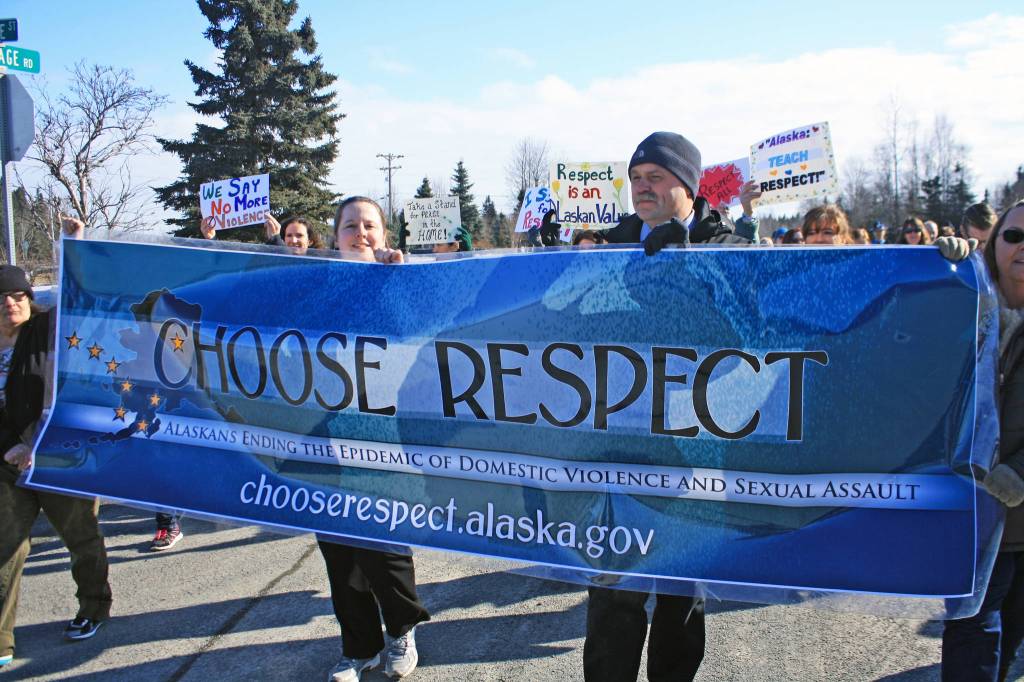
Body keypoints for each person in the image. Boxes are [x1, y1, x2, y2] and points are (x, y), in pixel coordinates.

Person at [585, 131, 751, 682]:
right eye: (635, 178)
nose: (641, 188)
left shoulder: (725, 246)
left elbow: (742, 333)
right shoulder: (612, 246)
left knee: (680, 596)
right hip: (620, 446)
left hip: (693, 446)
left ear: (688, 184)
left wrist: (684, 266)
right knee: (613, 592)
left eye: (655, 177)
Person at [321, 196, 427, 682]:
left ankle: (401, 629)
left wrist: (399, 282)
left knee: (385, 547)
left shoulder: (399, 284)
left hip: (383, 438)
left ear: (384, 236)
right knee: (340, 554)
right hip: (322, 440)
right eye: (350, 226)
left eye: (369, 226)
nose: (360, 233)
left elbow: (420, 335)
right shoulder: (315, 286)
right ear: (335, 235)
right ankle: (358, 647)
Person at [0, 217, 113, 669]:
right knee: (7, 547)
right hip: (7, 463)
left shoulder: (49, 328)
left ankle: (93, 606)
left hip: (57, 455)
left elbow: (80, 296)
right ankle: (2, 640)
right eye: (3, 297)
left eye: (19, 295)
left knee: (81, 537)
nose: (11, 304)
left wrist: (74, 243)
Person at [942, 200, 1024, 682]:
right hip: (972, 510)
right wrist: (941, 269)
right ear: (995, 244)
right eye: (1014, 236)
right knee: (973, 635)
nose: (1023, 248)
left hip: (1017, 506)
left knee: (1009, 635)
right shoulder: (969, 300)